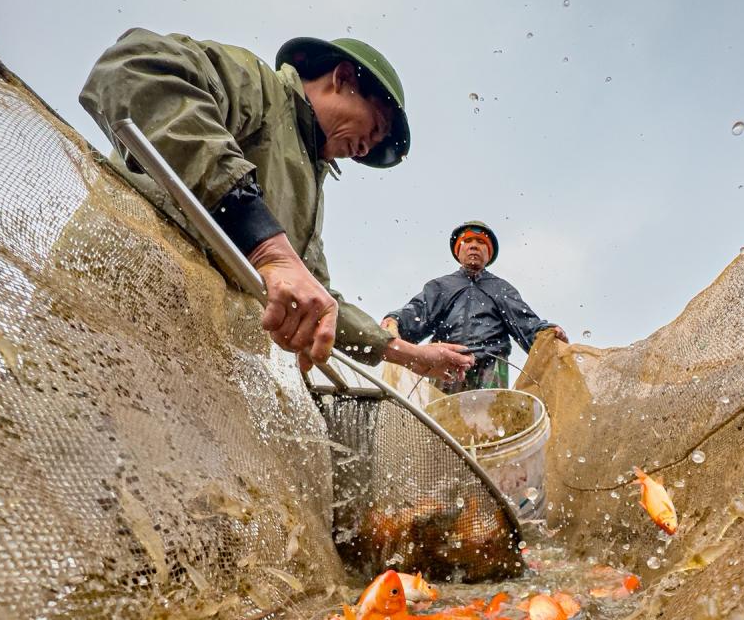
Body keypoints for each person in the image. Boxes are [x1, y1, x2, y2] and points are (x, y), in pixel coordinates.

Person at [80, 29, 474, 381]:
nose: (366, 149)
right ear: (343, 79)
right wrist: (267, 246)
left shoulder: (311, 188)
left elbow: (319, 300)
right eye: (374, 129)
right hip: (113, 295)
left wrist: (410, 355)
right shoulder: (261, 87)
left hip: (193, 358)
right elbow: (133, 68)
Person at [381, 221, 567, 393]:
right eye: (467, 241)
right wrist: (395, 320)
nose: (474, 245)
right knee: (441, 419)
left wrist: (546, 332)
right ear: (458, 251)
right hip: (447, 360)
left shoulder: (501, 288)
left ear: (488, 254)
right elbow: (417, 313)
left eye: (480, 242)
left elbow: (525, 322)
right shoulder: (441, 286)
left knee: (489, 420)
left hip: (491, 363)